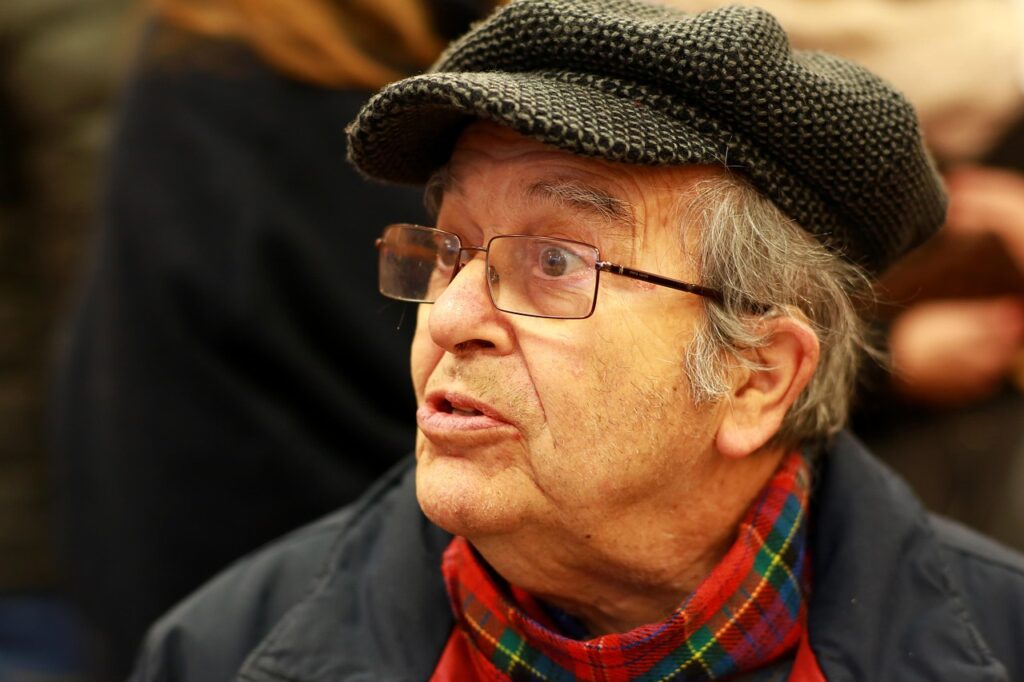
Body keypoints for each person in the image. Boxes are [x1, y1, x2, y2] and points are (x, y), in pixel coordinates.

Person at [130, 1, 1024, 680]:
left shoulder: (997, 638)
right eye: (447, 251)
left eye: (556, 261)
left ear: (759, 375)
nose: (446, 321)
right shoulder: (220, 648)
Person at [51, 0, 496, 678]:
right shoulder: (269, 82)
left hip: (182, 550)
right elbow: (404, 332)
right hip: (282, 577)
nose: (457, 311)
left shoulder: (200, 54)